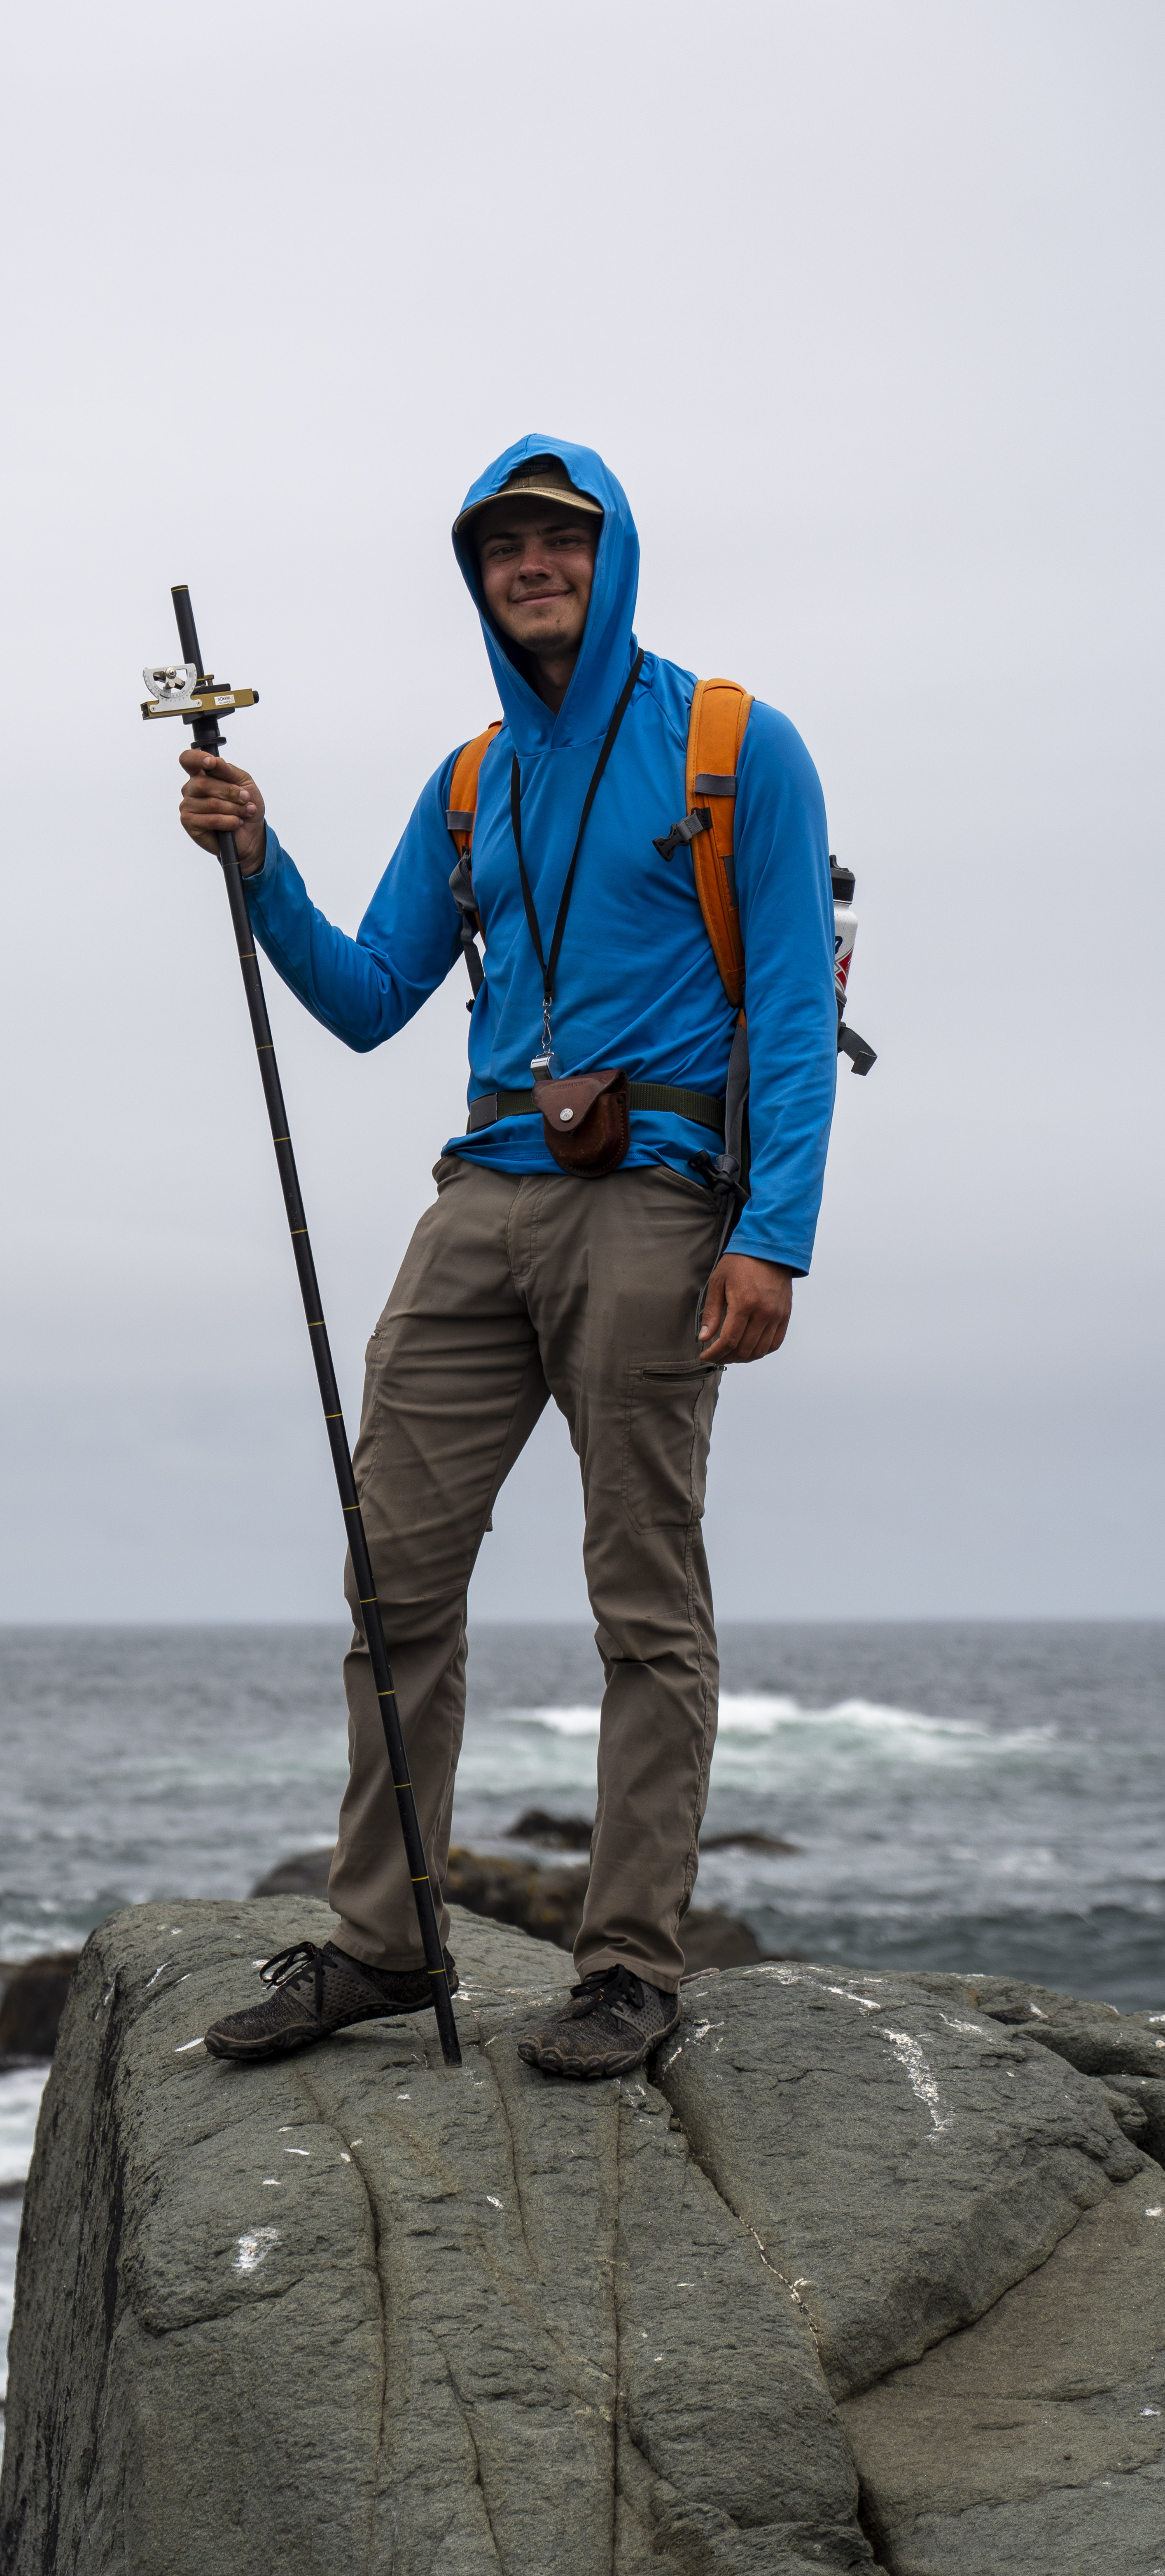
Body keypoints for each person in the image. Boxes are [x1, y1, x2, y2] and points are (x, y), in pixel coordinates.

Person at [179, 435, 837, 2080]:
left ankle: (627, 1967)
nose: (529, 564)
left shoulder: (731, 745)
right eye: (501, 545)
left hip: (663, 1191)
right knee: (391, 1571)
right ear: (477, 573)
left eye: (558, 538)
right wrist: (256, 864)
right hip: (482, 1190)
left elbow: (798, 1019)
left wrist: (773, 1238)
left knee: (643, 1595)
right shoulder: (470, 780)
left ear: (607, 555)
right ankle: (382, 1948)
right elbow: (362, 994)